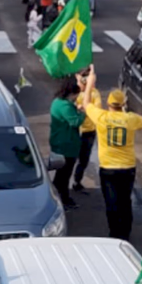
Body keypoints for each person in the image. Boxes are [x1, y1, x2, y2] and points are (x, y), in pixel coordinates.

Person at [81, 66, 142, 241]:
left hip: (108, 168)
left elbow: (86, 104)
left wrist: (90, 84)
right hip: (127, 167)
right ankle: (125, 233)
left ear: (108, 104)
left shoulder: (101, 117)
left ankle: (114, 233)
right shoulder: (130, 119)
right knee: (125, 201)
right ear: (122, 105)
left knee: (111, 202)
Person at [49, 77, 85, 209]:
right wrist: (82, 113)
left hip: (59, 143)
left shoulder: (58, 102)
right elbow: (75, 121)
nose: (76, 98)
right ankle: (63, 199)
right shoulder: (65, 106)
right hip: (66, 145)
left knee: (61, 174)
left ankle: (61, 196)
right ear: (71, 93)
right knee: (64, 175)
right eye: (76, 95)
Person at [72, 70, 102, 193]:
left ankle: (76, 181)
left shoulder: (95, 93)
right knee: (72, 159)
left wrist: (82, 108)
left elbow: (97, 110)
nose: (94, 83)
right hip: (76, 130)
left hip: (88, 131)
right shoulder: (76, 92)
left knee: (83, 159)